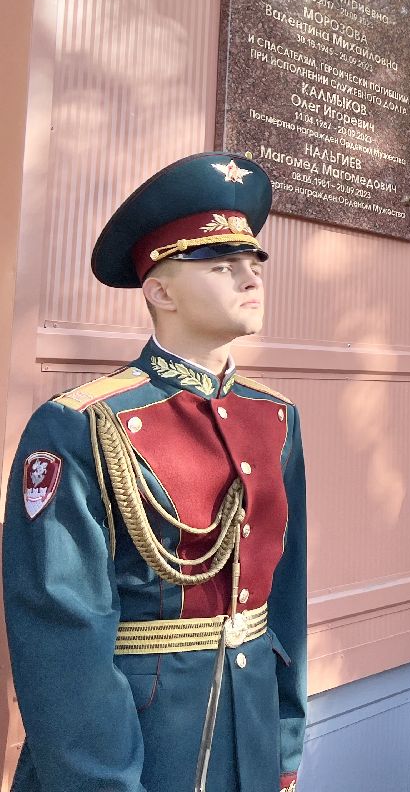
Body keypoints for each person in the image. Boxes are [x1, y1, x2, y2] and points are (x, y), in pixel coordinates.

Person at [2, 152, 308, 792]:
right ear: (160, 291)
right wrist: (103, 781)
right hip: (143, 747)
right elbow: (64, 632)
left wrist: (284, 737)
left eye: (254, 263)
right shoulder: (82, 424)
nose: (249, 277)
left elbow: (282, 594)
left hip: (251, 734)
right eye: (221, 265)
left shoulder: (275, 418)